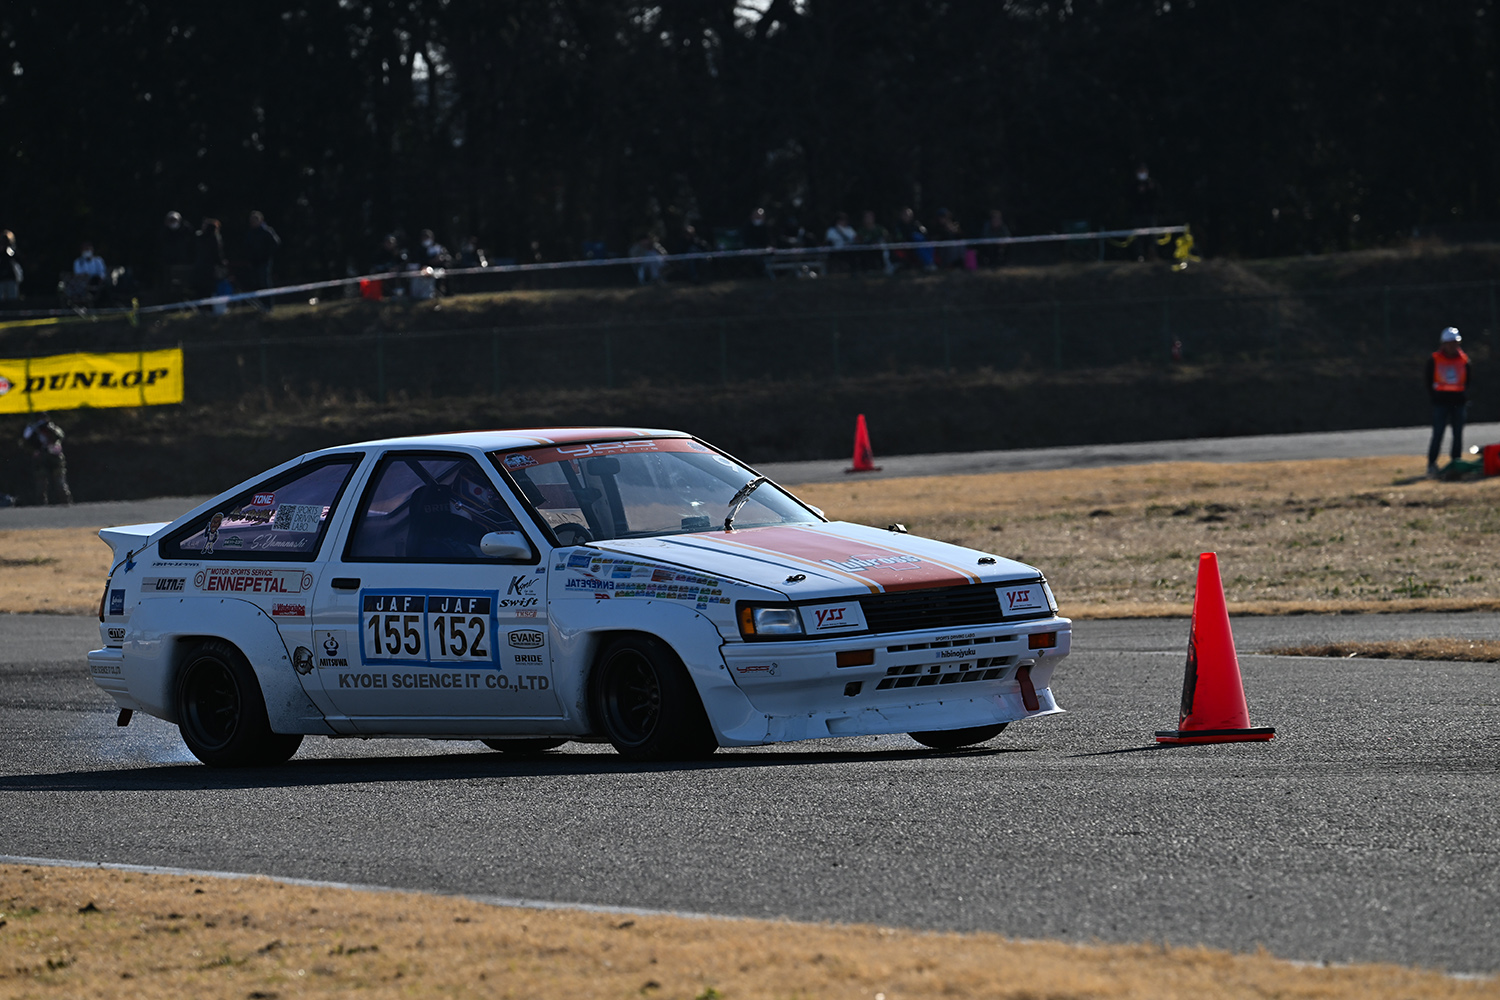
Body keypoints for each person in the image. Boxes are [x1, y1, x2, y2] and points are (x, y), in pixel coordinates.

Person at [1426, 326, 1471, 477]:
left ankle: (1455, 463)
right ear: (1443, 343)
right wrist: (1435, 397)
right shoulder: (1435, 360)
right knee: (1438, 433)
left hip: (1458, 402)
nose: (1453, 346)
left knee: (1457, 434)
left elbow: (1468, 381)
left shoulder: (1464, 360)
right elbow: (1428, 380)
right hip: (1441, 403)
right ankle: (1432, 464)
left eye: (1455, 342)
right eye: (1450, 342)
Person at [20, 412, 72, 506]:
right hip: (41, 458)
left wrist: (50, 430)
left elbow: (60, 436)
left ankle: (66, 502)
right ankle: (41, 505)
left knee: (60, 482)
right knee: (41, 483)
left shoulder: (52, 427)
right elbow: (25, 442)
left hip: (55, 457)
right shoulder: (32, 429)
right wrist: (34, 450)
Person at [243, 211, 282, 310]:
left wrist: (266, 255)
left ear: (260, 220)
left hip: (264, 261)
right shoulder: (250, 233)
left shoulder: (267, 231)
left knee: (264, 282)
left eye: (255, 220)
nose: (253, 223)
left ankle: (268, 305)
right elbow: (247, 247)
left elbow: (275, 243)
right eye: (251, 221)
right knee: (256, 283)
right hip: (254, 262)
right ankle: (260, 305)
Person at [193, 219, 226, 300]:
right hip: (209, 268)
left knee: (201, 289)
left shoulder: (198, 237)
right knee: (208, 288)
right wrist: (221, 263)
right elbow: (217, 253)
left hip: (200, 266)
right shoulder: (214, 238)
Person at [0, 230, 21, 300]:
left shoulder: (11, 250)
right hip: (1, 279)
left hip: (11, 278)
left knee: (12, 299)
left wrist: (8, 249)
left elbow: (14, 256)